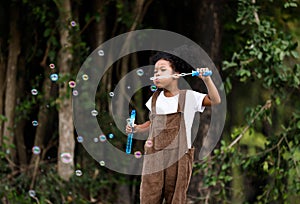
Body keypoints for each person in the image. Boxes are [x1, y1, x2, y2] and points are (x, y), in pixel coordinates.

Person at [126, 52, 221, 204]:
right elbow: (153, 122)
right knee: (149, 196)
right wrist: (137, 128)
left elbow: (215, 100)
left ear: (176, 75)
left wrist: (207, 80)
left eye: (162, 70)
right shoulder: (155, 98)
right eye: (155, 71)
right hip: (154, 155)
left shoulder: (189, 96)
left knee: (176, 198)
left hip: (179, 155)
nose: (157, 74)